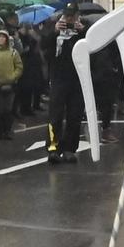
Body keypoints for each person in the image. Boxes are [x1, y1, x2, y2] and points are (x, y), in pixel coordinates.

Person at [46, 9, 87, 164]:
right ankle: (52, 148)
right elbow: (44, 47)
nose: (70, 20)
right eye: (67, 16)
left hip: (77, 79)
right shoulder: (54, 30)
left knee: (74, 116)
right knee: (55, 116)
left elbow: (91, 49)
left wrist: (82, 31)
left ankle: (70, 149)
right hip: (58, 79)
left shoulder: (82, 32)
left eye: (73, 16)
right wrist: (55, 31)